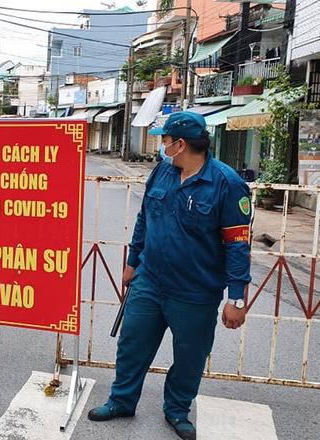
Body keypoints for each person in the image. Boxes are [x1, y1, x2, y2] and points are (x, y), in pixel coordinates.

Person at [87, 112, 252, 440]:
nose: (161, 145)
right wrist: (133, 262)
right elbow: (144, 219)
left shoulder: (227, 184)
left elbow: (237, 246)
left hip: (195, 291)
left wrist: (236, 298)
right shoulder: (162, 171)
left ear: (181, 144)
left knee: (190, 356)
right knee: (132, 344)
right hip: (150, 279)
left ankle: (177, 410)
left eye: (165, 140)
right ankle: (121, 400)